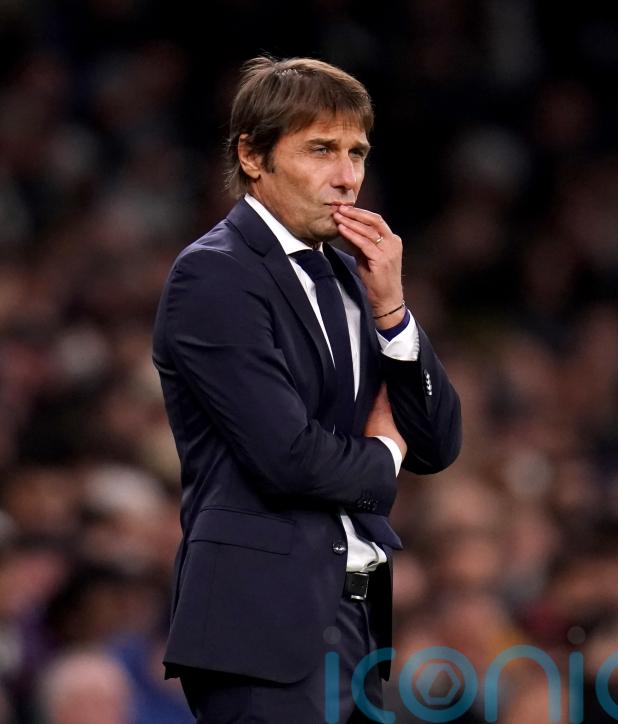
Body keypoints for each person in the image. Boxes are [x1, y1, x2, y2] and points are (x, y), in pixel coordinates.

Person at [152, 56, 462, 723]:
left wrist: (393, 312)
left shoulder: (354, 277)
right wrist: (384, 453)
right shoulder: (215, 275)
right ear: (252, 155)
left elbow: (438, 442)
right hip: (262, 627)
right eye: (321, 150)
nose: (347, 177)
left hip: (355, 623)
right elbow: (286, 455)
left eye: (357, 153)